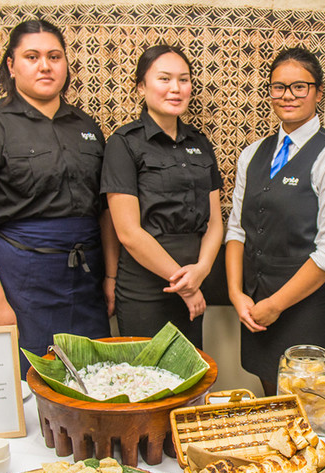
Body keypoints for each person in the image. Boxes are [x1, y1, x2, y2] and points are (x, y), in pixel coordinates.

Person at [0, 19, 114, 379]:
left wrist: (110, 277)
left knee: (93, 380)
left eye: (54, 56)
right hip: (19, 282)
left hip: (84, 280)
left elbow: (105, 212)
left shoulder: (88, 128)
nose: (45, 65)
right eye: (31, 56)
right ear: (11, 65)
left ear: (66, 63)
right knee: (27, 384)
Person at [225, 47, 325, 396]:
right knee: (270, 396)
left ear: (318, 93)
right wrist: (235, 293)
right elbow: (237, 229)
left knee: (305, 407)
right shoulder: (253, 153)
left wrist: (275, 305)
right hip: (256, 303)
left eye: (299, 87)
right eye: (278, 87)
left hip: (306, 307)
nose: (287, 95)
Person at [101, 45, 223, 348]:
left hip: (195, 278)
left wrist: (202, 270)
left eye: (184, 80)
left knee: (191, 379)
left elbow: (215, 222)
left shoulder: (200, 142)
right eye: (164, 79)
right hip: (146, 289)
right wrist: (185, 287)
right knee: (146, 384)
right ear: (142, 85)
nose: (176, 89)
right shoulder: (123, 143)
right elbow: (128, 232)